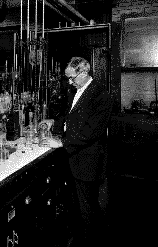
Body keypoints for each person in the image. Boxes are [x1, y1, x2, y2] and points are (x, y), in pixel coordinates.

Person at [47, 57, 113, 247]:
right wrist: (54, 123)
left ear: (84, 74)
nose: (69, 82)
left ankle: (89, 243)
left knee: (88, 209)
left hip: (88, 162)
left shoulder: (101, 96)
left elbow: (91, 132)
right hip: (73, 159)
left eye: (72, 78)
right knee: (75, 205)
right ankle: (77, 238)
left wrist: (62, 143)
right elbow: (69, 118)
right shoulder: (76, 90)